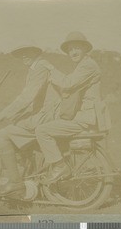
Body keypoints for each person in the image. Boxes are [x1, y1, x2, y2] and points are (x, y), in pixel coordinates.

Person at [35, 32, 111, 184]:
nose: (73, 52)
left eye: (77, 48)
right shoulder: (82, 66)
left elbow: (67, 83)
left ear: (85, 49)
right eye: (70, 50)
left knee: (41, 130)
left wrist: (50, 68)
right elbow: (67, 89)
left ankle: (60, 167)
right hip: (84, 117)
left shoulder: (88, 66)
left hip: (86, 119)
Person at [0, 45, 60, 196]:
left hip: (47, 116)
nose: (24, 56)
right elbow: (31, 99)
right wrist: (13, 115)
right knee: (15, 124)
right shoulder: (36, 68)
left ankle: (16, 183)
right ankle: (27, 175)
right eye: (21, 54)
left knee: (1, 135)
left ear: (35, 52)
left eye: (27, 53)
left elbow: (27, 97)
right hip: (45, 113)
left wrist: (0, 116)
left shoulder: (40, 67)